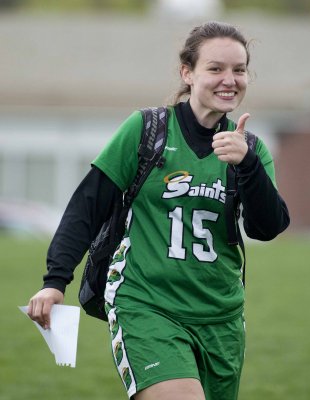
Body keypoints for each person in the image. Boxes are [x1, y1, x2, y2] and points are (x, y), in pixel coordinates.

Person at [27, 21, 290, 400]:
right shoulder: (146, 129)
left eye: (239, 69)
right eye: (215, 68)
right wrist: (55, 281)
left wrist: (247, 164)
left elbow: (267, 228)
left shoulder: (250, 148)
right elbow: (87, 206)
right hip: (147, 306)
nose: (229, 79)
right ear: (188, 72)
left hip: (222, 318)